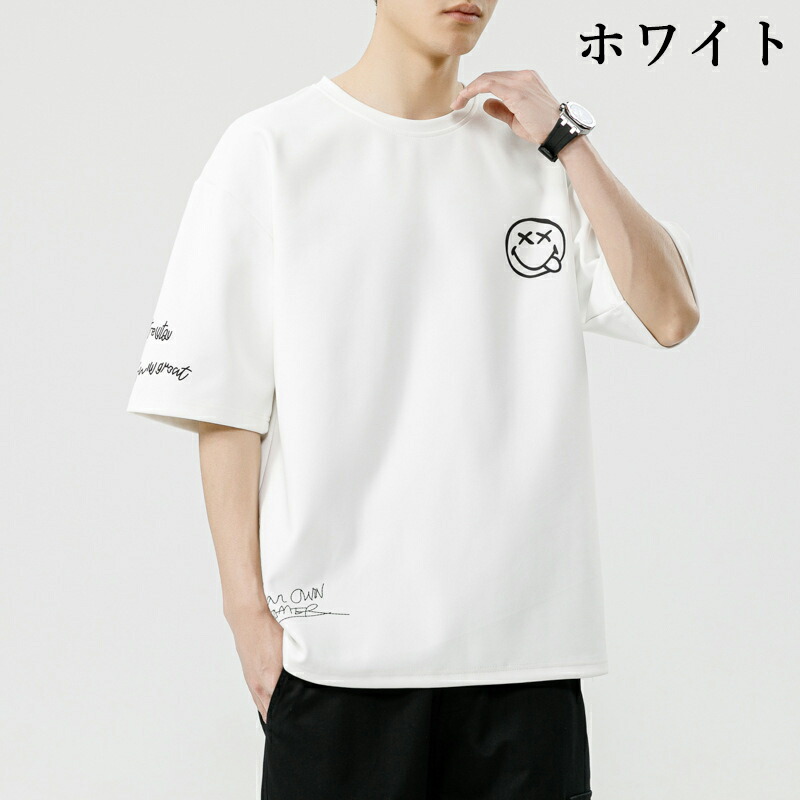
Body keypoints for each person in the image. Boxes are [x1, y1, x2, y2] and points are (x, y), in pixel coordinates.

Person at [126, 1, 700, 797]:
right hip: (339, 666)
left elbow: (671, 315)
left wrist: (569, 142)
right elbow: (225, 403)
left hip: (526, 662)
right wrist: (246, 615)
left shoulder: (538, 155)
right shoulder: (271, 149)